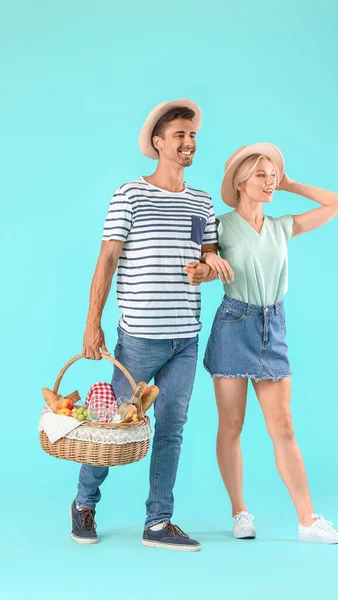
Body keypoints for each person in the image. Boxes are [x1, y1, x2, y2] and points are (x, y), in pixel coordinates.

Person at [71, 99, 220, 551]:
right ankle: (84, 503)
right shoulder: (129, 194)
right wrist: (92, 324)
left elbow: (212, 257)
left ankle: (158, 522)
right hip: (138, 338)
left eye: (192, 136)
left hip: (185, 339)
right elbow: (108, 259)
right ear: (158, 143)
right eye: (179, 136)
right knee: (111, 426)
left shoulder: (202, 201)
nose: (188, 143)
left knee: (171, 427)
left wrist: (207, 269)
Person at [202, 142, 338, 544]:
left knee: (283, 426)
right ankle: (240, 513)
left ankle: (307, 521)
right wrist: (207, 266)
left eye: (273, 175)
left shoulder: (282, 226)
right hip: (235, 324)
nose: (269, 182)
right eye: (261, 175)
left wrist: (291, 183)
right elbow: (200, 267)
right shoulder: (217, 225)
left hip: (273, 326)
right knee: (231, 425)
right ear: (240, 182)